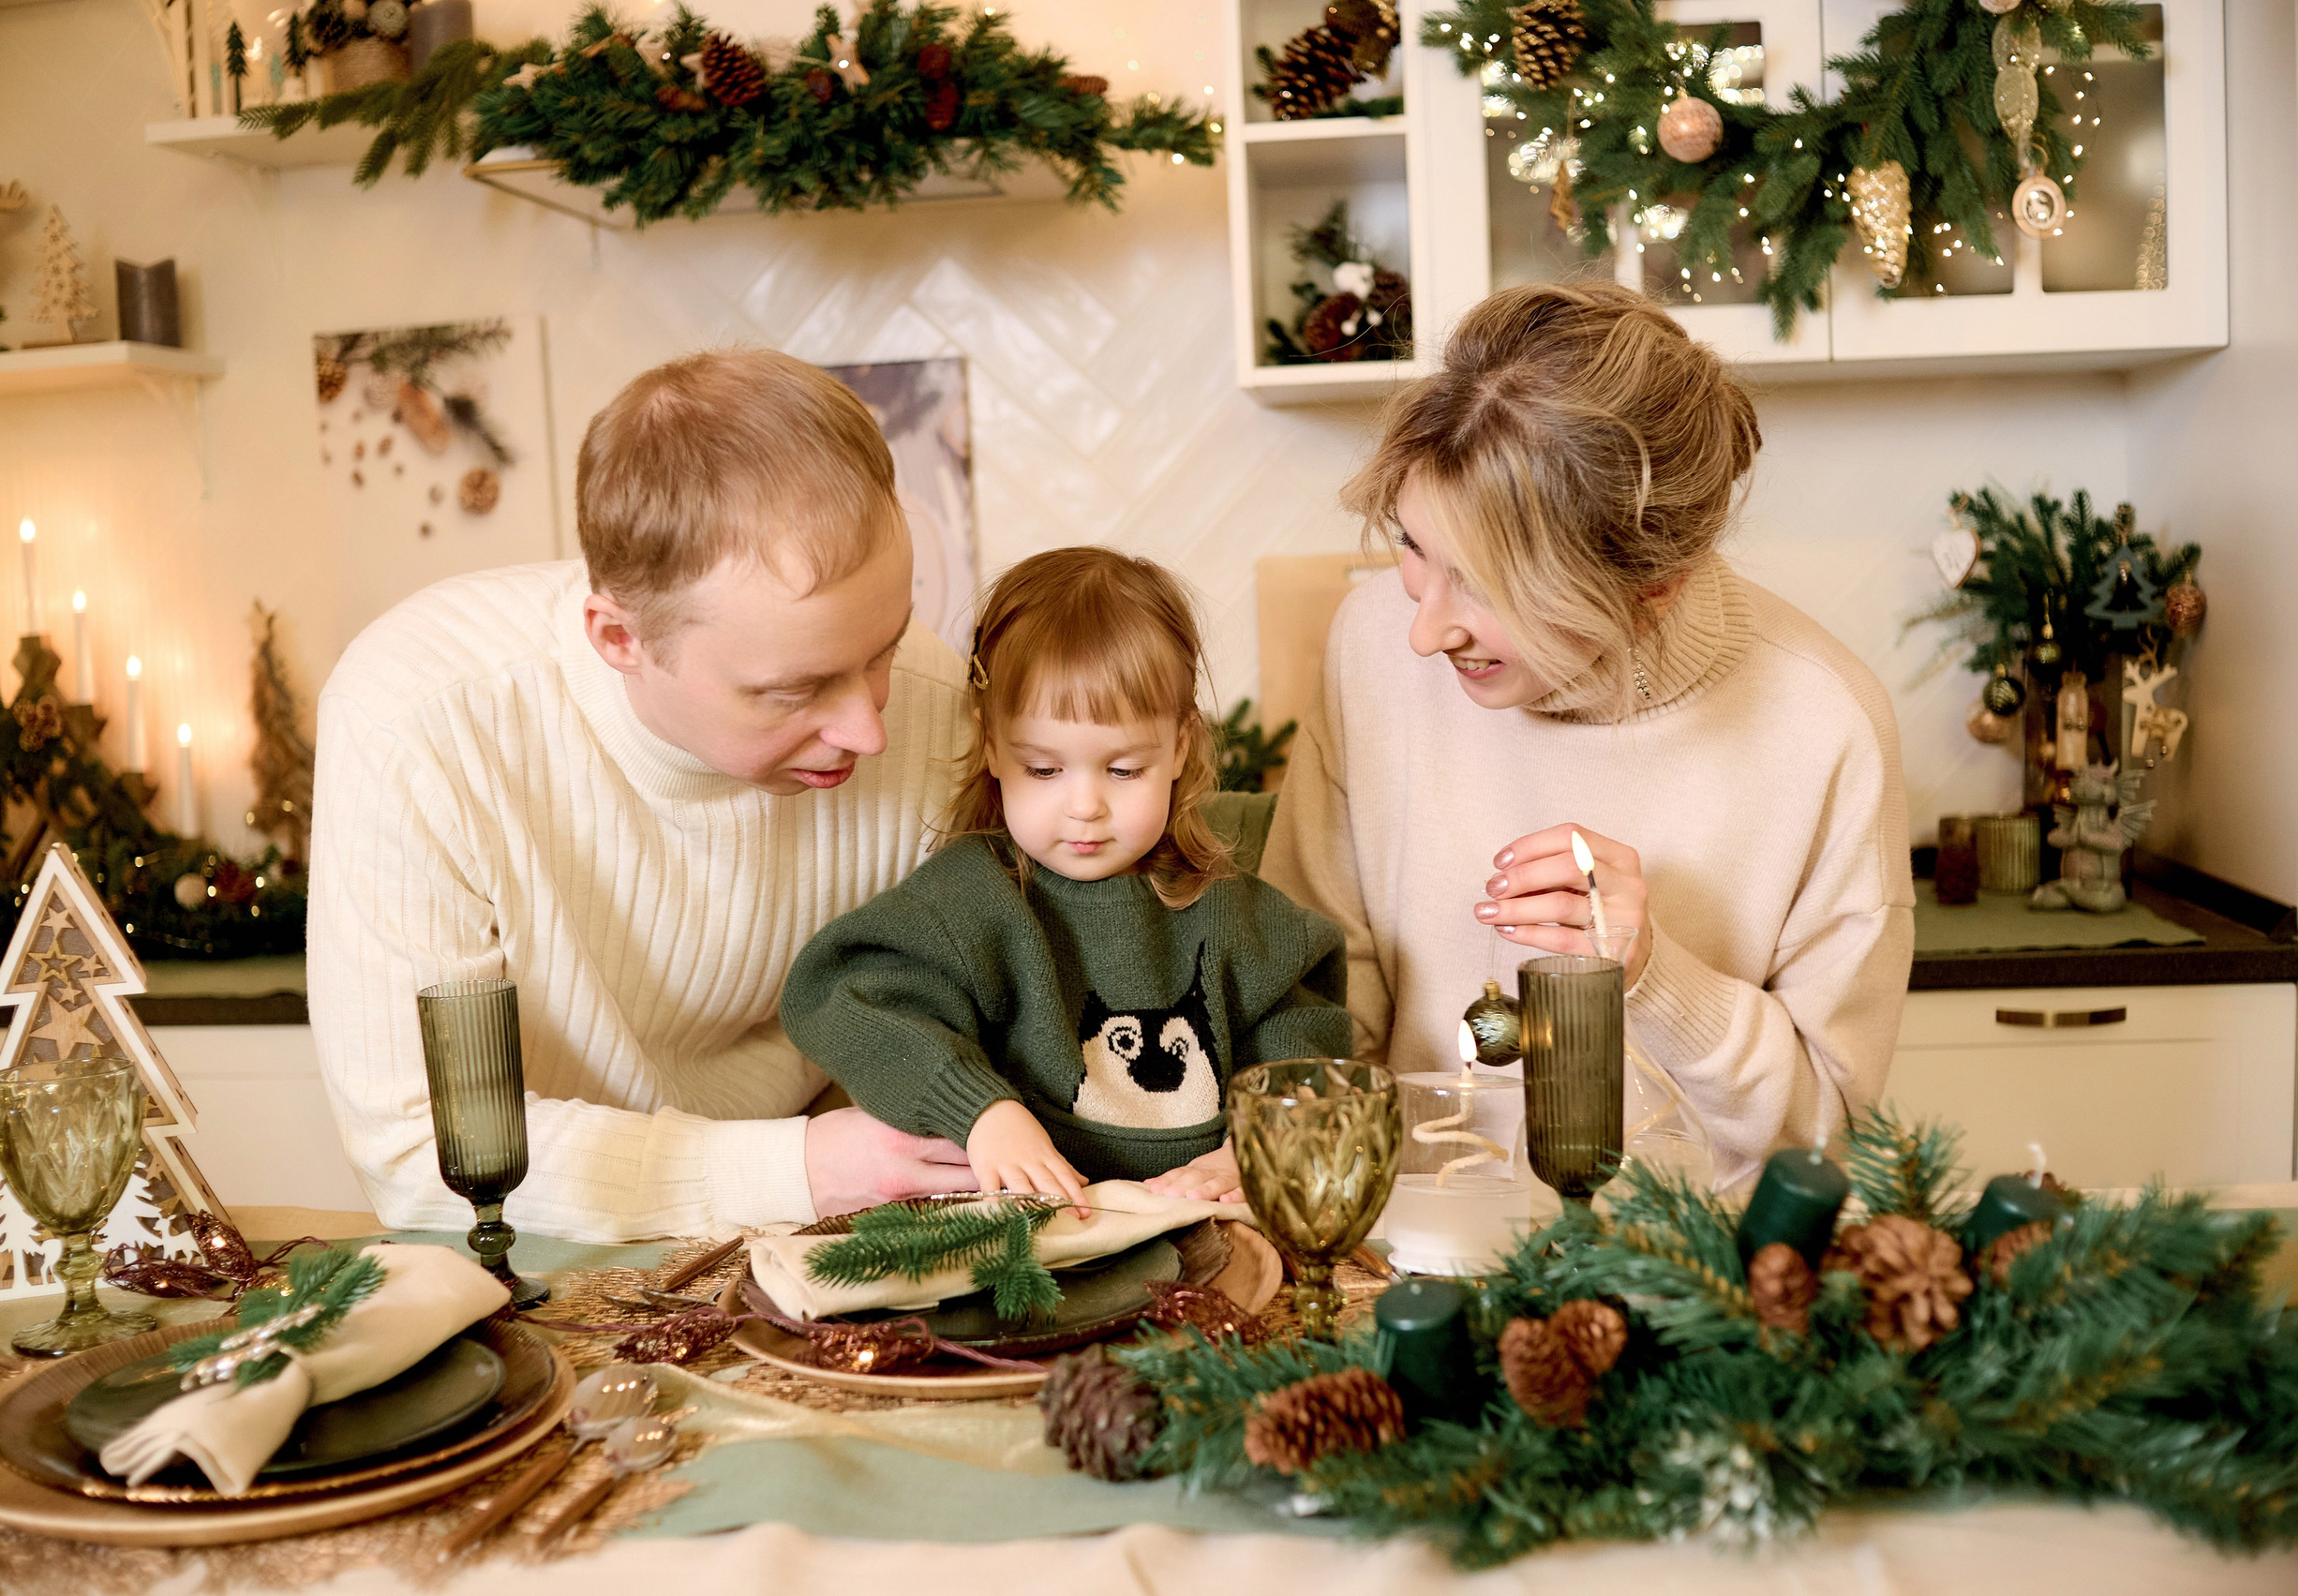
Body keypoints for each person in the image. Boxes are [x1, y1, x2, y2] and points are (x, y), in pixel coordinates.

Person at [308, 350, 979, 1242]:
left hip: (845, 1236)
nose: (871, 729)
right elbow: (414, 1148)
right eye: (796, 690)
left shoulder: (936, 703)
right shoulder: (418, 721)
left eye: (885, 648)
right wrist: (799, 1169)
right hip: (541, 1252)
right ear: (620, 638)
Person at [1261, 283, 1914, 1186]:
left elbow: (1828, 1136)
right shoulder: (1369, 645)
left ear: (1654, 587)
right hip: (1410, 1241)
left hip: (1694, 1260)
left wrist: (1654, 975)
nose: (1425, 632)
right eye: (1414, 547)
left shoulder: (1827, 724)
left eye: (1485, 585)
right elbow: (1310, 1006)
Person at [780, 547, 1351, 1206]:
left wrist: (1259, 1142)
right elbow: (846, 1000)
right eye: (1044, 769)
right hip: (1033, 1231)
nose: (1085, 806)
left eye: (1124, 770)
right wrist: (982, 1112)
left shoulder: (1235, 913)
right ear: (992, 745)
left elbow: (1303, 1040)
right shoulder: (970, 899)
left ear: (1180, 746)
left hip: (1203, 1220)